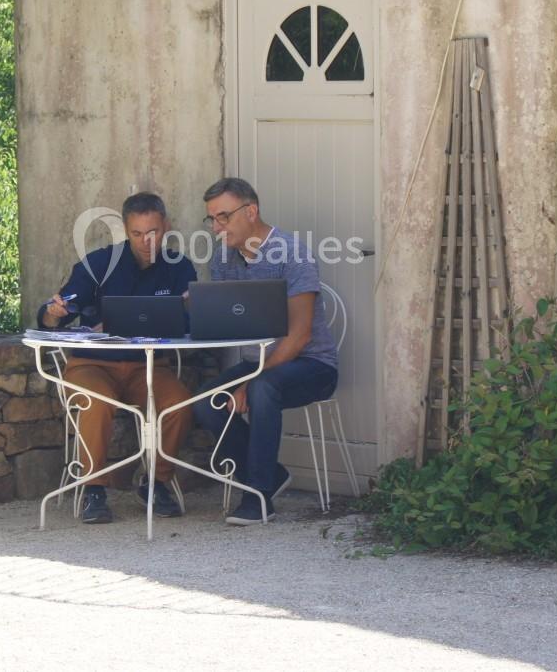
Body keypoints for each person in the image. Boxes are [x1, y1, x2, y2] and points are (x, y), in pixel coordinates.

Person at [38, 192, 196, 523]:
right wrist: (54, 313)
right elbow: (59, 312)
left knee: (179, 403)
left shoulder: (179, 267)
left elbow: (190, 324)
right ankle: (93, 490)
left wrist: (187, 309)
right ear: (125, 230)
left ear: (166, 227)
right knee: (95, 402)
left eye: (152, 232)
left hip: (149, 366)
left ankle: (157, 483)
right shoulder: (99, 263)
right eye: (137, 233)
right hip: (92, 365)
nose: (146, 241)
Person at [191, 177, 339, 525]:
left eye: (224, 216)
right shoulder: (223, 259)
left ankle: (257, 496)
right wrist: (196, 307)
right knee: (205, 401)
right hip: (259, 365)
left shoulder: (292, 253)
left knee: (261, 388)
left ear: (251, 211)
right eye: (212, 218)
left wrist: (248, 382)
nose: (216, 227)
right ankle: (271, 474)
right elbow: (228, 322)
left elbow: (300, 336)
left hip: (312, 365)